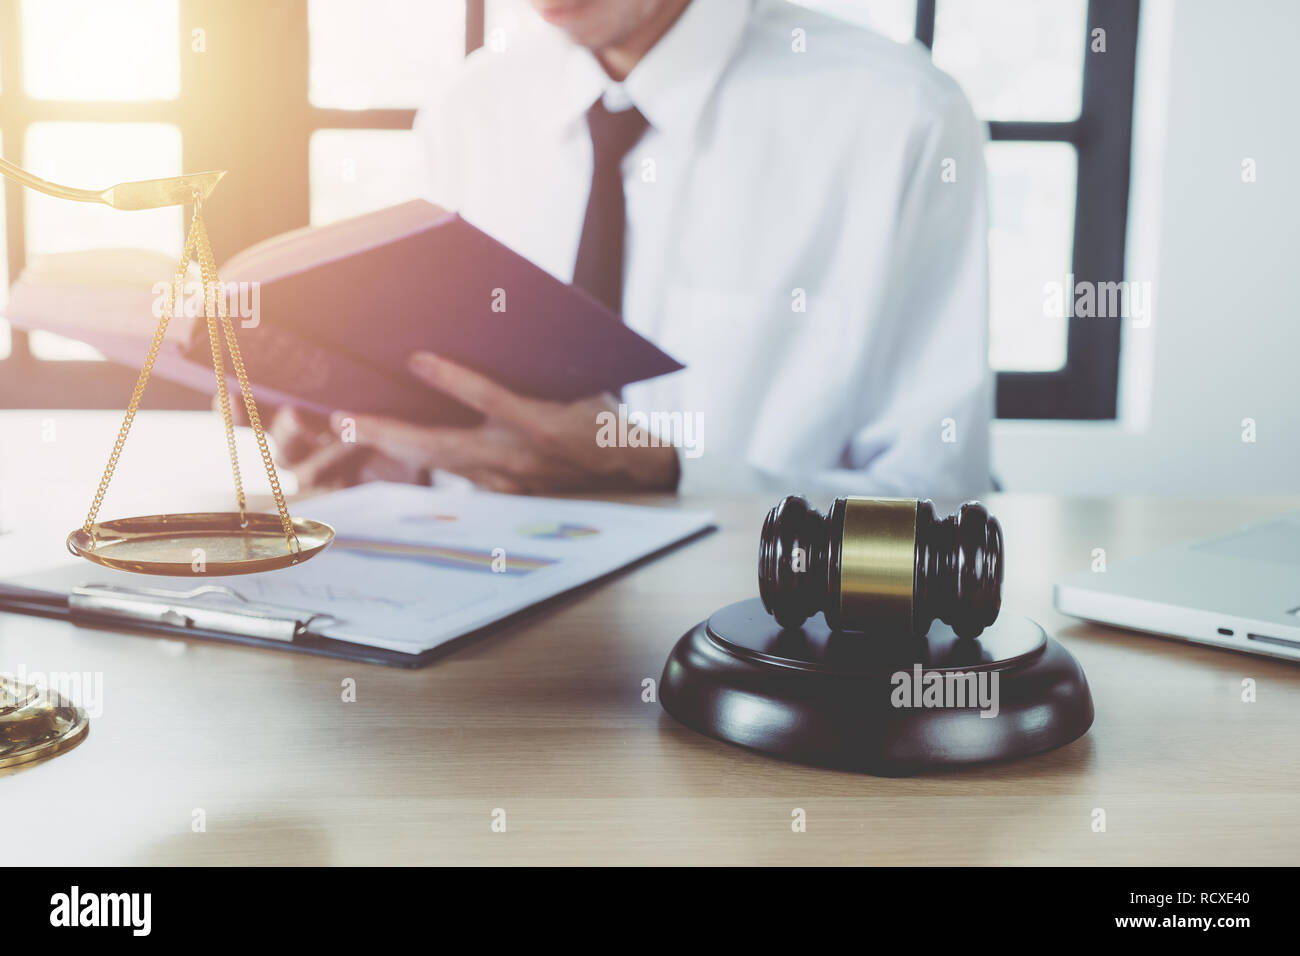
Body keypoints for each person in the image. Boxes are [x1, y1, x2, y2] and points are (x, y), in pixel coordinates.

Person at [272, 0, 991, 497]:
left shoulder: (899, 115)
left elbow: (940, 506)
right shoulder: (471, 108)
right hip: (483, 639)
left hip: (762, 648)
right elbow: (473, 426)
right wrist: (388, 452)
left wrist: (666, 471)